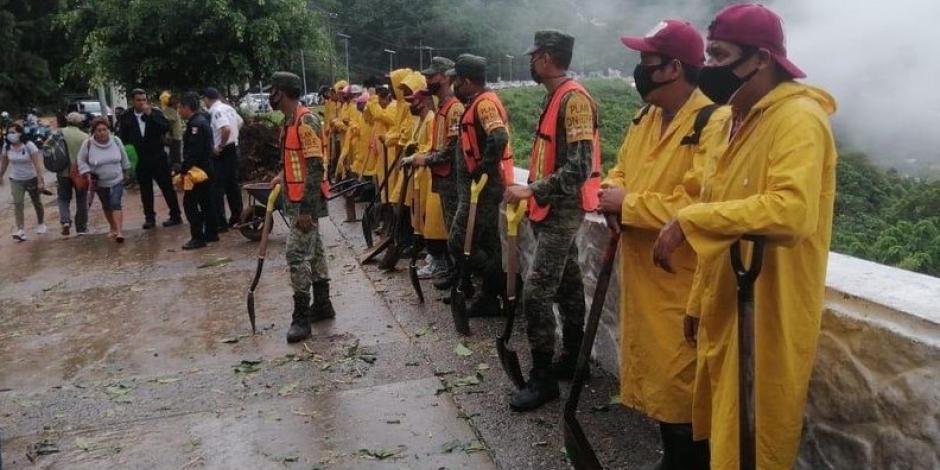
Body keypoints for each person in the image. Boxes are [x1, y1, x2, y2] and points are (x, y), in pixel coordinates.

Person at [651, 5, 838, 470]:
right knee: (724, 429)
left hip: (770, 307)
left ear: (762, 59)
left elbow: (791, 211)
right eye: (708, 54)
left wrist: (688, 220)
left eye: (719, 54)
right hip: (725, 300)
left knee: (757, 434)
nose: (709, 66)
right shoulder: (731, 119)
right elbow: (722, 206)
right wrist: (698, 301)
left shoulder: (799, 119)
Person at [599, 19, 732, 469]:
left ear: (673, 68)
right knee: (658, 385)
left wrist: (629, 204)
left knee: (684, 393)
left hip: (681, 284)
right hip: (642, 277)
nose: (639, 70)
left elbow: (696, 204)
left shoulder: (713, 122)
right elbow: (620, 170)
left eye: (646, 62)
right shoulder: (646, 117)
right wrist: (612, 196)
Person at [503, 31, 600, 411]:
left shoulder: (573, 100)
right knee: (570, 286)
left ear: (545, 58)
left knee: (537, 293)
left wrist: (532, 190)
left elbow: (578, 167)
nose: (530, 64)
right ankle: (577, 360)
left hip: (562, 209)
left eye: (533, 57)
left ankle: (543, 380)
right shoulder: (556, 97)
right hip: (552, 208)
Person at [267, 72, 336, 344]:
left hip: (305, 201)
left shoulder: (306, 120)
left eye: (272, 91)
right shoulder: (289, 120)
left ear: (281, 93)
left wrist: (306, 209)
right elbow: (296, 159)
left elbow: (316, 166)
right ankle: (322, 304)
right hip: (295, 196)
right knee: (315, 251)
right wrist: (281, 175)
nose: (271, 96)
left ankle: (301, 319)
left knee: (296, 256)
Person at [451, 54, 514, 315]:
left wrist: (483, 169)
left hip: (483, 189)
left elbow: (498, 137)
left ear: (466, 81)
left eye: (457, 80)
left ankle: (495, 284)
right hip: (479, 189)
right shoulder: (476, 101)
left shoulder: (484, 103)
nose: (454, 85)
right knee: (488, 242)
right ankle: (490, 295)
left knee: (459, 239)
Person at [410, 57, 463, 281]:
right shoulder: (442, 107)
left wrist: (426, 159)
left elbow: (452, 148)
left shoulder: (454, 108)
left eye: (432, 77)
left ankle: (461, 278)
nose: (428, 81)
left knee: (455, 231)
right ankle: (453, 272)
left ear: (446, 77)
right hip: (442, 178)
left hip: (452, 178)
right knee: (449, 229)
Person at [117, 88, 182, 229]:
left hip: (158, 156)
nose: (142, 103)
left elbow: (165, 127)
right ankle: (149, 218)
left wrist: (150, 114)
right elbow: (124, 137)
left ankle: (175, 215)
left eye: (144, 100)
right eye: (138, 100)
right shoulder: (126, 116)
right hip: (141, 158)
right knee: (146, 190)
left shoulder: (156, 112)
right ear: (132, 101)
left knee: (167, 187)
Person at [78, 117, 132, 243]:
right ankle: (112, 227)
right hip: (99, 182)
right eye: (99, 130)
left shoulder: (116, 141)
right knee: (107, 205)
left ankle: (119, 231)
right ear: (94, 132)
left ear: (108, 130)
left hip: (117, 178)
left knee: (115, 203)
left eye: (104, 130)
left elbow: (124, 157)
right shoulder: (88, 144)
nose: (102, 133)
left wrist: (127, 171)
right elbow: (81, 160)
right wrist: (86, 173)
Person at [176, 92, 218, 250]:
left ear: (187, 107)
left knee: (190, 203)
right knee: (207, 202)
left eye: (180, 107)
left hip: (197, 172)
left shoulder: (196, 125)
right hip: (207, 169)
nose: (179, 111)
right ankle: (212, 233)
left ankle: (198, 237)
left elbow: (193, 152)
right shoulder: (202, 120)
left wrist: (183, 170)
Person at [202, 87, 244, 231]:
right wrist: (234, 138)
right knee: (232, 185)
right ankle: (237, 216)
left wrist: (220, 145)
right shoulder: (228, 108)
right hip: (233, 148)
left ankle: (221, 222)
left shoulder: (216, 111)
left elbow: (225, 129)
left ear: (207, 99)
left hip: (223, 151)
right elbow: (240, 122)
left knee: (217, 187)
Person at [0, 123, 46, 241]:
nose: (10, 135)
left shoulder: (29, 145)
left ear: (20, 133)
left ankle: (41, 223)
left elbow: (37, 164)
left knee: (36, 202)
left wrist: (40, 180)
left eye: (13, 132)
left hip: (31, 178)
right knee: (18, 203)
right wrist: (1, 175)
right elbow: (4, 163)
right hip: (16, 179)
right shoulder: (7, 146)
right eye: (8, 132)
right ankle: (20, 230)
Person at [57, 112, 92, 236]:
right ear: (80, 122)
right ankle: (81, 228)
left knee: (63, 198)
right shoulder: (84, 136)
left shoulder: (59, 133)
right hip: (80, 173)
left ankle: (65, 221)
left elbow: (46, 148)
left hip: (63, 172)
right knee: (81, 199)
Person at [161, 91, 184, 170]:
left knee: (175, 155)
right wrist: (169, 135)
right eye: (177, 102)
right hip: (174, 138)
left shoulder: (173, 110)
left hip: (176, 137)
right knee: (175, 157)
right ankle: (175, 171)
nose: (179, 105)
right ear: (173, 102)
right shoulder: (170, 110)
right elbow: (168, 124)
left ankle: (174, 169)